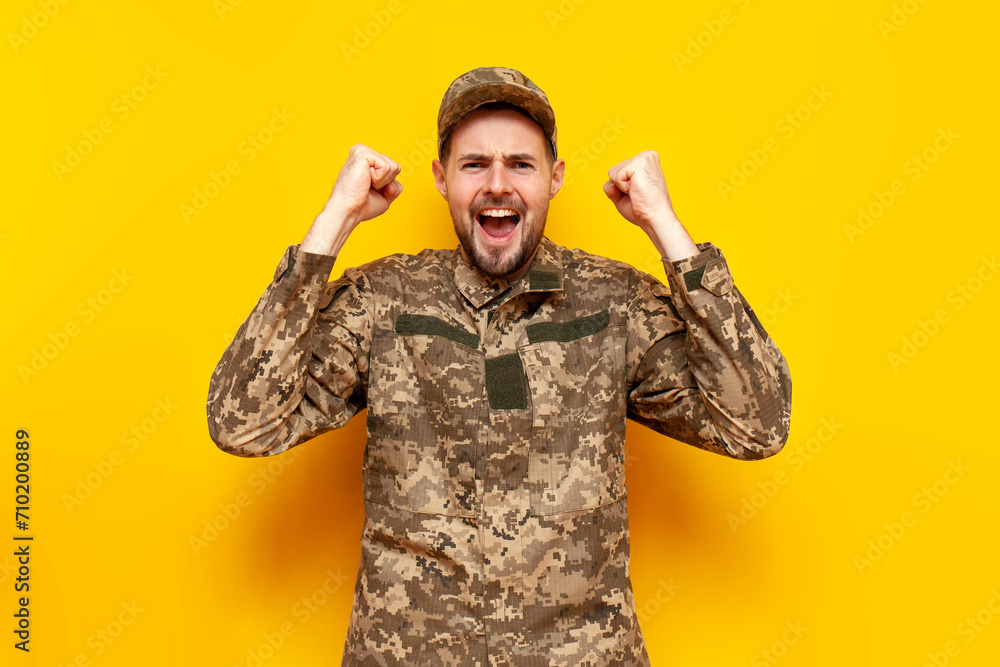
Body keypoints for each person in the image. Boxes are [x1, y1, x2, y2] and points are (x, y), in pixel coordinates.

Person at [207, 66, 792, 666]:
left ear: (554, 179)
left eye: (520, 164)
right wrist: (335, 222)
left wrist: (665, 227)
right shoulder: (383, 301)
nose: (497, 184)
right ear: (441, 179)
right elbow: (243, 424)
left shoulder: (615, 304)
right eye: (473, 164)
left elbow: (756, 425)